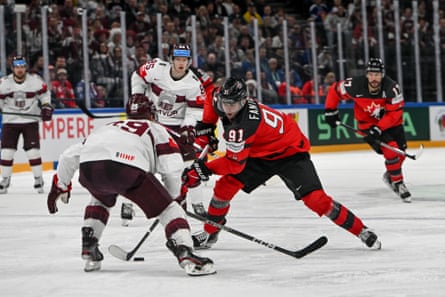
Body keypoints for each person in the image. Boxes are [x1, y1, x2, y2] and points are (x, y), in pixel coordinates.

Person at [182, 77, 381, 250]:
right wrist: (207, 126)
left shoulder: (245, 124)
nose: (228, 109)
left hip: (289, 152)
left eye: (233, 104)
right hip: (259, 153)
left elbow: (234, 165)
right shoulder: (220, 99)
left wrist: (204, 169)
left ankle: (361, 230)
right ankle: (210, 232)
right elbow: (210, 100)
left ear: (243, 101)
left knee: (317, 201)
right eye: (225, 104)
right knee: (224, 188)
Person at [46, 94, 215, 276]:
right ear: (152, 114)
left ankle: (89, 247)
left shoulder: (110, 127)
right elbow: (171, 167)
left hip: (90, 168)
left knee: (100, 198)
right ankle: (186, 253)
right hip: (127, 168)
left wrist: (60, 185)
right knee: (170, 210)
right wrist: (175, 200)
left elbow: (68, 156)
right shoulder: (156, 129)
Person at [123, 44, 208, 225]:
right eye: (177, 59)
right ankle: (127, 204)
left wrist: (188, 127)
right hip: (152, 124)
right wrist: (137, 96)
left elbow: (195, 109)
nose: (180, 63)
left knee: (190, 166)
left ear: (189, 62)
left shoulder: (193, 84)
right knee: (139, 163)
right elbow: (137, 75)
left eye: (184, 60)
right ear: (171, 59)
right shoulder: (156, 68)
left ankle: (198, 204)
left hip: (176, 128)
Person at [324, 58, 411, 202]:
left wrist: (379, 128)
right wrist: (330, 111)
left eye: (377, 75)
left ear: (382, 75)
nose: (374, 78)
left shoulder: (392, 89)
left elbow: (394, 114)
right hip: (367, 124)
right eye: (371, 74)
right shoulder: (354, 85)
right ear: (366, 75)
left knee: (400, 152)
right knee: (392, 149)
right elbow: (334, 90)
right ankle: (399, 183)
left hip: (391, 123)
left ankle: (391, 176)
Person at [0, 56, 54, 194]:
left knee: (33, 151)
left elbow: (44, 95)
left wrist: (46, 106)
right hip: (10, 120)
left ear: (26, 68)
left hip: (30, 120)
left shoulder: (35, 81)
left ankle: (38, 179)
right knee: (7, 152)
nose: (19, 69)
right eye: (17, 67)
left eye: (22, 66)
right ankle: (5, 180)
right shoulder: (4, 83)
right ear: (12, 68)